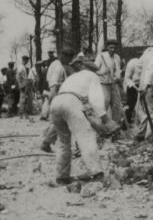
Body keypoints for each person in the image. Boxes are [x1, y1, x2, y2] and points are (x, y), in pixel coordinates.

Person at [47, 54, 119, 184]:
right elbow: (96, 100)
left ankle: (62, 176)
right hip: (72, 101)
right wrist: (105, 119)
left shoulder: (72, 77)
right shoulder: (92, 76)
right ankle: (96, 172)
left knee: (63, 141)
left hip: (56, 102)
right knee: (86, 135)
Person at [39, 48, 74, 153]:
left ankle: (46, 141)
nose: (70, 61)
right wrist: (53, 101)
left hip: (58, 96)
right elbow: (53, 86)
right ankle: (46, 142)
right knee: (60, 121)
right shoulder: (58, 68)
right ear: (64, 56)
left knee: (56, 122)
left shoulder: (56, 64)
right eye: (69, 59)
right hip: (57, 97)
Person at [96, 39, 125, 126]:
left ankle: (116, 126)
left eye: (114, 48)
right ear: (107, 47)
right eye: (111, 47)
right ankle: (100, 125)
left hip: (113, 84)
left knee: (116, 105)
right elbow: (95, 70)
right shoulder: (101, 56)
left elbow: (118, 71)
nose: (113, 49)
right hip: (103, 83)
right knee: (105, 103)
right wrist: (103, 72)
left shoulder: (117, 57)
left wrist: (117, 78)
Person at [123, 53, 142, 126]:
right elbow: (127, 78)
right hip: (132, 86)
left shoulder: (146, 62)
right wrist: (135, 87)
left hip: (141, 85)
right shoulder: (132, 63)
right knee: (131, 105)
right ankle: (125, 123)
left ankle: (140, 122)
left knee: (141, 106)